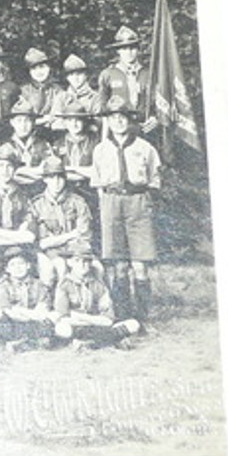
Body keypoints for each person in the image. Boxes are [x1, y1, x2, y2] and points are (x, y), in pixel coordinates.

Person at [89, 95, 162, 323]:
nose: (118, 122)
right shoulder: (100, 150)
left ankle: (142, 318)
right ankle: (123, 317)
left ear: (129, 120)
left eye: (122, 117)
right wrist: (107, 204)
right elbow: (98, 183)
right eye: (113, 118)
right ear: (108, 122)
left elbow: (154, 178)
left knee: (140, 265)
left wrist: (143, 199)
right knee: (118, 265)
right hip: (111, 203)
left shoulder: (145, 148)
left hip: (137, 203)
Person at [51, 243, 142, 350]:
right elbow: (63, 317)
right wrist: (89, 321)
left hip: (96, 325)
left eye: (86, 261)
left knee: (133, 324)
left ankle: (87, 343)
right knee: (62, 329)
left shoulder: (98, 284)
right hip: (77, 326)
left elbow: (108, 318)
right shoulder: (64, 285)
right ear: (69, 262)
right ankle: (110, 340)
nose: (82, 265)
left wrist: (82, 317)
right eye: (77, 261)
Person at [26, 154, 94, 287]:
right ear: (45, 179)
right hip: (50, 253)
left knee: (97, 268)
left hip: (76, 250)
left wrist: (73, 251)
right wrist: (70, 235)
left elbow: (84, 236)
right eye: (51, 177)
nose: (56, 182)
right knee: (58, 267)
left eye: (60, 177)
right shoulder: (36, 204)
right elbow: (41, 243)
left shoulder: (78, 202)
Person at [0, 144, 37, 288]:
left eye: (10, 166)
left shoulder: (24, 196)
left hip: (20, 248)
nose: (5, 170)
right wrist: (16, 236)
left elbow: (30, 234)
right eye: (1, 165)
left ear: (15, 169)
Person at [0, 247, 52, 347]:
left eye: (21, 263)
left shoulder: (38, 284)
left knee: (47, 325)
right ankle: (7, 340)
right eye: (12, 265)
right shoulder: (4, 285)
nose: (17, 268)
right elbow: (7, 309)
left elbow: (42, 309)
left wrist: (23, 312)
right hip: (13, 320)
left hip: (32, 320)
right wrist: (22, 314)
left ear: (28, 265)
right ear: (7, 269)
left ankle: (22, 341)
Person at [98, 26, 158, 133]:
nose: (129, 52)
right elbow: (104, 111)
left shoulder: (148, 74)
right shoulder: (108, 74)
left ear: (138, 49)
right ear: (118, 51)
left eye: (133, 48)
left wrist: (155, 118)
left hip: (145, 129)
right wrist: (105, 139)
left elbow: (158, 103)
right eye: (124, 48)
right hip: (119, 130)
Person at [2, 100, 53, 183]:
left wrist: (19, 172)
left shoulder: (43, 145)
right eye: (19, 120)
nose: (23, 125)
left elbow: (47, 169)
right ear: (12, 122)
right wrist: (35, 171)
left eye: (27, 120)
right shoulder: (6, 146)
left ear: (33, 123)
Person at [16, 47, 61, 133]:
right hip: (31, 133)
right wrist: (43, 120)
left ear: (48, 68)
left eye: (42, 67)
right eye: (34, 68)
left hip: (55, 133)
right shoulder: (23, 91)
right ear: (29, 72)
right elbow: (22, 119)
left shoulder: (57, 90)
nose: (39, 72)